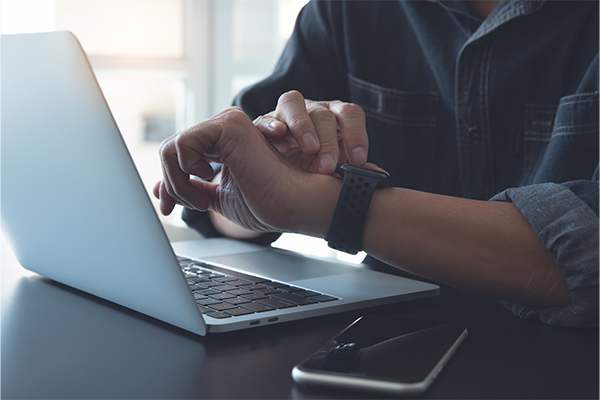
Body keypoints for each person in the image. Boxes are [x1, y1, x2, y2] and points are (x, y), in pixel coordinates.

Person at [154, 0, 599, 327]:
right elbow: (215, 198)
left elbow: (586, 258)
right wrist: (254, 193)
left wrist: (329, 206)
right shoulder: (344, 12)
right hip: (379, 341)